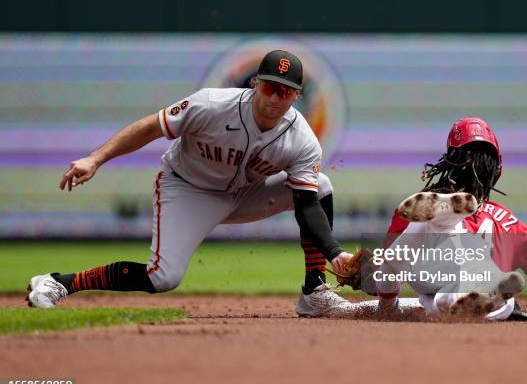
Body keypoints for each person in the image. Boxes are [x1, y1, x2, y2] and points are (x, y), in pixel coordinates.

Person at [26, 50, 353, 316]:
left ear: (297, 95)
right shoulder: (212, 104)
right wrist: (95, 158)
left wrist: (334, 252)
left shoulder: (303, 140)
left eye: (286, 90)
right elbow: (150, 127)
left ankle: (314, 291)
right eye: (270, 86)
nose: (276, 97)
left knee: (320, 185)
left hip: (243, 194)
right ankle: (60, 282)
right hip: (187, 189)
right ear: (255, 84)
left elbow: (308, 204)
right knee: (162, 277)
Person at [325, 118, 527, 321]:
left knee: (419, 259)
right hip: (491, 296)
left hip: (437, 285)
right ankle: (481, 292)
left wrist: (373, 285)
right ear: (497, 171)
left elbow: (390, 275)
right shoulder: (513, 224)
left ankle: (463, 278)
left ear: (450, 162)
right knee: (454, 290)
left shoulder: (418, 208)